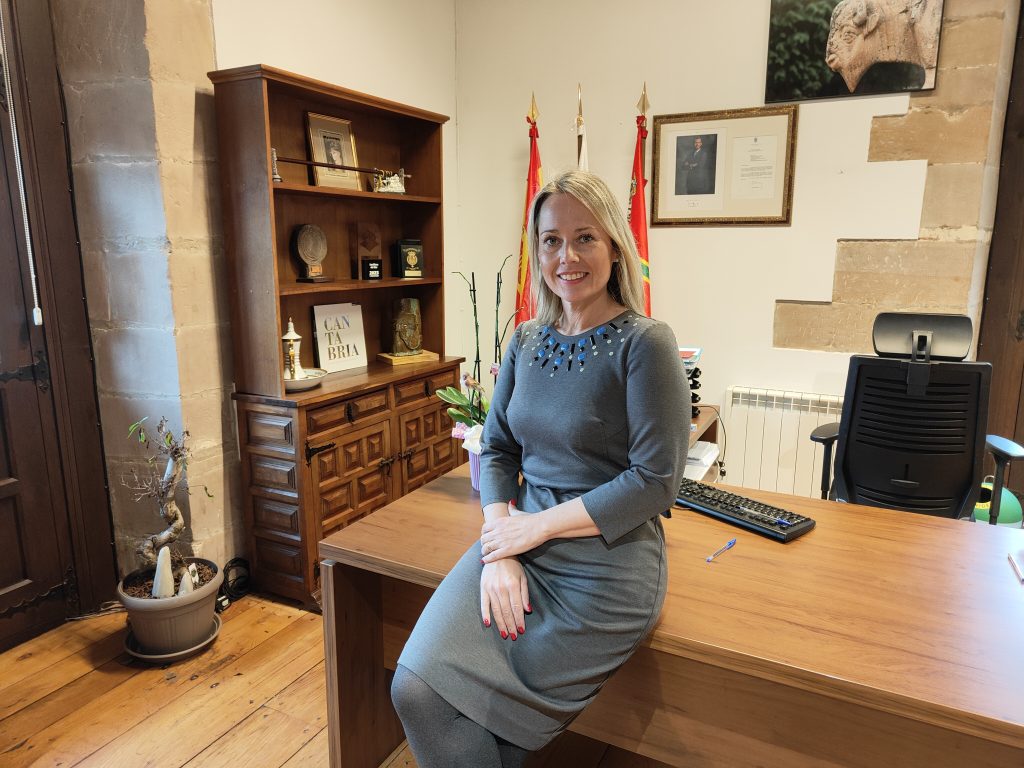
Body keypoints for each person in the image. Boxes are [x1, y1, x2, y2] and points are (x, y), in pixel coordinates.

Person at [391, 170, 689, 767]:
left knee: (495, 733)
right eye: (551, 240)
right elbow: (499, 449)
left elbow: (655, 482)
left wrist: (534, 529)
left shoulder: (645, 342)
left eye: (585, 238)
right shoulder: (525, 340)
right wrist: (501, 547)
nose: (566, 257)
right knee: (416, 690)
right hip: (518, 537)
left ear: (614, 247)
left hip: (606, 564)